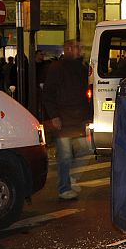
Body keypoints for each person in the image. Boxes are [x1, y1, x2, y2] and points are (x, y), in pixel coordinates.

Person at [42, 39, 91, 200]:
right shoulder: (57, 68)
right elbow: (48, 94)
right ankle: (64, 187)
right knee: (64, 156)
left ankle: (70, 178)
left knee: (86, 148)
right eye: (77, 47)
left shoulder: (81, 68)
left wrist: (87, 116)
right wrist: (54, 115)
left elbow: (85, 94)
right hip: (63, 118)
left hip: (77, 118)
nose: (80, 50)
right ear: (69, 48)